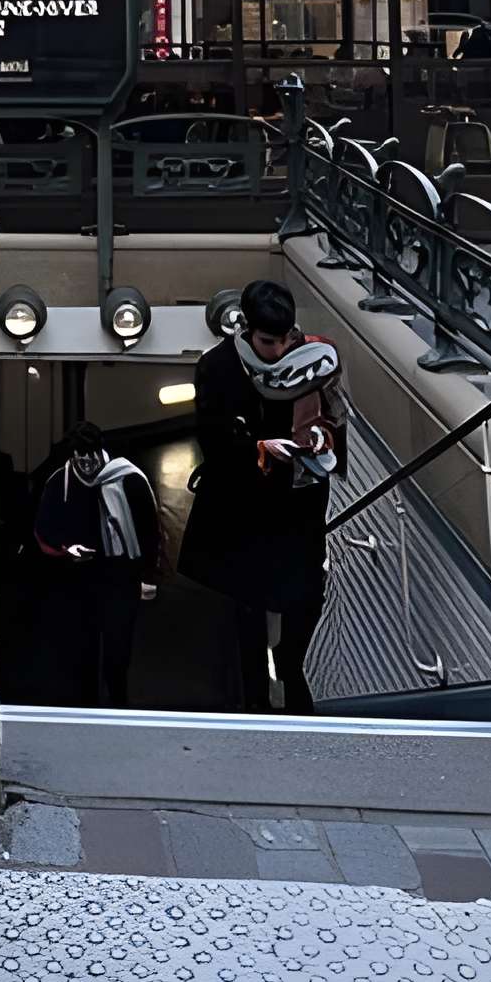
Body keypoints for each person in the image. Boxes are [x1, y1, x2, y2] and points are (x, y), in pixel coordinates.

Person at [178, 281, 344, 712]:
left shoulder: (313, 358)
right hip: (246, 502)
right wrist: (258, 449)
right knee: (249, 599)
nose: (276, 351)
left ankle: (291, 666)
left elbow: (333, 415)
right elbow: (211, 438)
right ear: (248, 331)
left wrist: (322, 439)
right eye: (268, 342)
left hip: (297, 498)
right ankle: (254, 697)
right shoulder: (217, 367)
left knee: (305, 593)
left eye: (285, 340)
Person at [29, 423, 163, 706]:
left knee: (118, 649)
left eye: (90, 454)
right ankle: (87, 706)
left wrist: (148, 575)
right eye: (81, 454)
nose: (86, 462)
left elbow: (149, 529)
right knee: (81, 649)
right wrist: (67, 549)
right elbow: (44, 526)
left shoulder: (127, 478)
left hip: (119, 575)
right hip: (78, 580)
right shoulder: (59, 481)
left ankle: (116, 705)